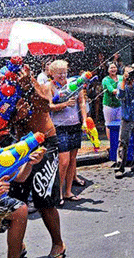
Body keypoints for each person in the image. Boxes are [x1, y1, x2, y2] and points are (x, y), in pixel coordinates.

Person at [0, 63, 66, 258]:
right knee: (15, 200)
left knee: (43, 198)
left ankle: (58, 243)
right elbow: (5, 122)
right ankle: (17, 247)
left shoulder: (21, 80)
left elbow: (46, 104)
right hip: (20, 145)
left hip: (44, 142)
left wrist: (30, 87)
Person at [48, 60, 87, 203]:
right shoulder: (50, 86)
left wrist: (84, 121)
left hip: (75, 125)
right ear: (51, 74)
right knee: (63, 161)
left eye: (64, 72)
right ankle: (57, 193)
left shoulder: (75, 83)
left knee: (72, 160)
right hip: (59, 126)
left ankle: (68, 191)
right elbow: (50, 106)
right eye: (59, 73)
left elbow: (81, 102)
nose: (63, 76)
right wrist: (64, 104)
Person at [101, 62, 122, 142]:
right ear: (108, 70)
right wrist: (122, 91)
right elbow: (112, 90)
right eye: (111, 68)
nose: (113, 69)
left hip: (119, 105)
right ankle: (111, 143)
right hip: (109, 105)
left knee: (120, 123)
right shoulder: (106, 80)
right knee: (109, 124)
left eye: (114, 67)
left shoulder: (121, 77)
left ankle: (119, 141)